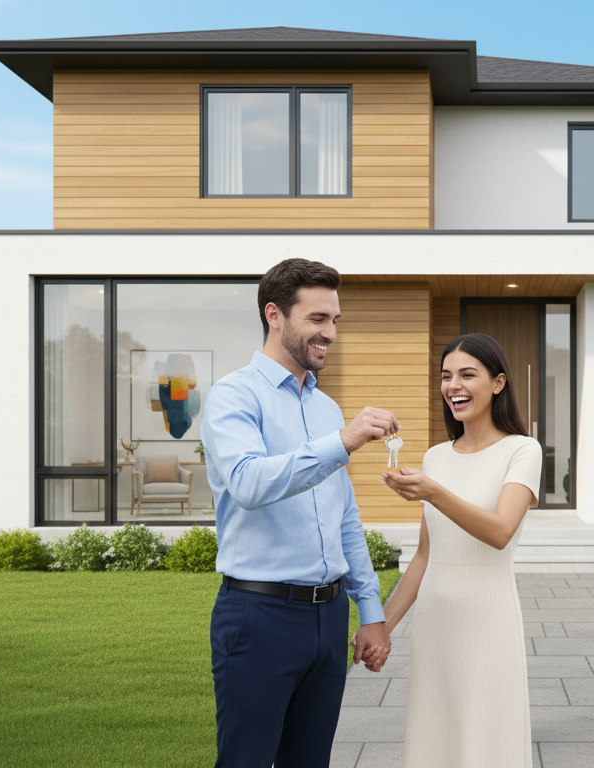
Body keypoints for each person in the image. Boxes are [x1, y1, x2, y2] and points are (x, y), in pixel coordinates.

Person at [201, 257, 399, 768]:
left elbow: (345, 519)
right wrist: (344, 441)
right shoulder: (233, 396)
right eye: (317, 319)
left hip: (328, 621)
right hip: (259, 616)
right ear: (274, 315)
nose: (330, 333)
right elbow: (248, 482)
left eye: (335, 321)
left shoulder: (326, 408)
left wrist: (370, 612)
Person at [380, 333, 542, 768]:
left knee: (488, 743)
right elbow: (423, 558)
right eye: (446, 376)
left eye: (468, 374)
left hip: (487, 619)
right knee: (435, 741)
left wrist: (433, 493)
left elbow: (501, 531)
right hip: (435, 623)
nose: (454, 385)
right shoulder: (435, 456)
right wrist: (382, 626)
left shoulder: (522, 450)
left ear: (498, 383)